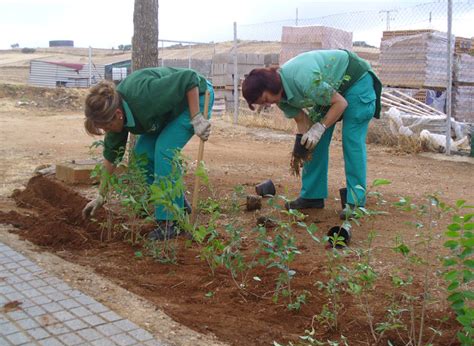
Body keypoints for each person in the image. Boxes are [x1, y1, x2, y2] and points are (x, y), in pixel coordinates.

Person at [242, 49, 382, 217]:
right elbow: (303, 122)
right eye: (262, 104)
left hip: (356, 80)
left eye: (265, 99)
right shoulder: (280, 99)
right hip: (331, 88)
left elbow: (340, 103)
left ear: (269, 84)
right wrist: (301, 148)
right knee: (315, 143)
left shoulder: (304, 79)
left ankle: (356, 202)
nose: (268, 104)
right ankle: (312, 196)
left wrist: (320, 128)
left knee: (351, 140)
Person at [82, 67, 214, 240]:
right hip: (167, 111)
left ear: (118, 115)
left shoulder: (145, 95)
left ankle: (170, 222)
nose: (107, 131)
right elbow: (111, 157)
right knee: (141, 157)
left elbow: (189, 79)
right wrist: (101, 195)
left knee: (164, 150)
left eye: (106, 127)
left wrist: (196, 117)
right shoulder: (114, 113)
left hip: (195, 96)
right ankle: (178, 206)